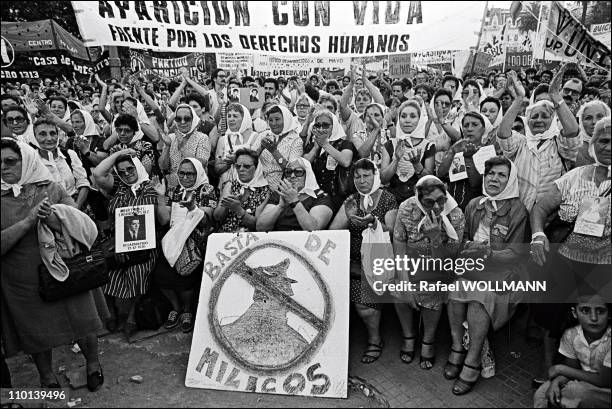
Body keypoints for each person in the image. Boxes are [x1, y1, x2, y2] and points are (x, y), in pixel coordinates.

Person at [1, 138, 105, 391]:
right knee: (36, 329)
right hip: (21, 277)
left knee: (81, 319)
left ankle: (93, 365)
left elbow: (83, 227)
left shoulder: (51, 187)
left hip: (65, 268)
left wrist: (55, 220)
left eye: (10, 161)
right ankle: (47, 377)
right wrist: (27, 222)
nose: (3, 167)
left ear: (26, 161)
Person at [530, 117, 611, 388]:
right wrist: (538, 235)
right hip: (569, 258)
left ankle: (595, 374)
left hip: (606, 265)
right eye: (604, 140)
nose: (609, 146)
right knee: (552, 313)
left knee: (599, 317)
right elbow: (540, 207)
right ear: (593, 144)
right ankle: (549, 364)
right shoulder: (576, 176)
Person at [446, 156, 529, 395]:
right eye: (491, 173)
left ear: (510, 180)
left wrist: (483, 250)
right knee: (454, 289)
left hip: (503, 270)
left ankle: (472, 361)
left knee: (479, 297)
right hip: (473, 264)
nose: (494, 178)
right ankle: (456, 348)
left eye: (502, 175)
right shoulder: (474, 204)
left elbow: (514, 253)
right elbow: (462, 241)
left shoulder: (517, 210)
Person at [329, 159, 398, 363]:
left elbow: (394, 231)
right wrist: (349, 218)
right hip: (352, 260)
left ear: (375, 176)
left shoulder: (388, 199)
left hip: (378, 259)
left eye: (366, 176)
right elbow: (333, 232)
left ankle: (375, 340)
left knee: (364, 307)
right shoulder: (351, 200)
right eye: (357, 176)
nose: (361, 180)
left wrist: (374, 223)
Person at [392, 176, 465, 370]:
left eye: (441, 200)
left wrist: (434, 239)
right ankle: (408, 336)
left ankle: (428, 340)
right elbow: (399, 243)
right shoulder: (407, 208)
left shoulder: (455, 215)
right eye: (429, 202)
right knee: (398, 286)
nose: (437, 207)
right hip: (411, 262)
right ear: (418, 198)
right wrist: (405, 282)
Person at [93, 150, 161, 339]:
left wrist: (127, 246)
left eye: (130, 168)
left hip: (144, 245)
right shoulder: (118, 188)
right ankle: (112, 313)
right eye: (121, 171)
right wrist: (121, 153)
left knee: (136, 271)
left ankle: (131, 317)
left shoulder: (150, 187)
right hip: (117, 243)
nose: (127, 174)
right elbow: (98, 174)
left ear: (138, 167)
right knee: (105, 270)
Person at [498, 68, 580, 212]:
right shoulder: (521, 142)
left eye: (545, 116)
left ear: (553, 118)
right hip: (519, 213)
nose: (539, 120)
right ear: (527, 120)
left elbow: (573, 132)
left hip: (550, 215)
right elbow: (503, 134)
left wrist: (555, 95)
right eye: (534, 117)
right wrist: (518, 99)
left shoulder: (559, 142)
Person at [154, 158, 217, 333]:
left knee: (186, 276)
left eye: (190, 173)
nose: (185, 177)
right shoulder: (174, 190)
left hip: (194, 241)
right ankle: (176, 307)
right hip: (174, 238)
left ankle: (188, 310)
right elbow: (164, 219)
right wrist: (160, 197)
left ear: (198, 174)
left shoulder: (206, 189)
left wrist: (193, 208)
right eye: (181, 173)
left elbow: (206, 220)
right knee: (160, 273)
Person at [533, 294, 610, 408]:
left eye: (600, 311)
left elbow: (604, 380)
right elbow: (573, 369)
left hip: (605, 388)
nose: (593, 317)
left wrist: (559, 369)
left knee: (576, 392)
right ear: (575, 313)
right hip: (583, 381)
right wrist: (556, 382)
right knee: (542, 393)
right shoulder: (572, 334)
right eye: (585, 310)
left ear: (609, 313)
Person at [256, 158, 334, 232]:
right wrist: (280, 207)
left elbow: (313, 228)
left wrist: (294, 201)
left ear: (308, 174)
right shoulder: (278, 194)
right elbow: (260, 228)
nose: (293, 175)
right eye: (289, 172)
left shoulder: (321, 197)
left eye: (298, 172)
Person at [381, 100, 435, 204]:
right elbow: (383, 179)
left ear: (420, 120)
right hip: (392, 200)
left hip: (418, 200)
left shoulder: (428, 146)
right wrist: (396, 159)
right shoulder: (389, 144)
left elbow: (428, 181)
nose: (407, 120)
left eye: (413, 116)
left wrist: (417, 164)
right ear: (399, 119)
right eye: (403, 116)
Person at [29, 118, 90, 211]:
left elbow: (83, 184)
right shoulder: (31, 161)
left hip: (76, 206)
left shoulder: (70, 154)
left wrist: (76, 208)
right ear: (34, 137)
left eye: (53, 133)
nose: (49, 138)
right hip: (48, 211)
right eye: (42, 134)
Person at [303, 108, 354, 211]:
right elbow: (304, 165)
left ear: (334, 126)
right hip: (316, 198)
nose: (321, 129)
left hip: (338, 197)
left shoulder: (345, 144)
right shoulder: (312, 145)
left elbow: (345, 161)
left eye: (325, 125)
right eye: (318, 125)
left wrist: (325, 144)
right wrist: (316, 148)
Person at [438, 112, 489, 210]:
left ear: (483, 129)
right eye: (466, 125)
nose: (469, 129)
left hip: (475, 209)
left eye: (475, 125)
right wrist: (452, 152)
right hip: (451, 207)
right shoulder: (456, 149)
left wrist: (468, 159)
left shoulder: (487, 152)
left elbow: (476, 183)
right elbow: (440, 173)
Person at [213, 148, 270, 232]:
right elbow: (217, 217)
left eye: (246, 166)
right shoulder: (230, 185)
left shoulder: (265, 191)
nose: (241, 169)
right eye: (238, 166)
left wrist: (238, 210)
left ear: (257, 168)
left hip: (251, 238)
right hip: (226, 235)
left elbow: (257, 226)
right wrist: (227, 204)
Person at [160, 104, 211, 190]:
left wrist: (182, 146)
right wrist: (168, 146)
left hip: (195, 187)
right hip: (173, 186)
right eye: (178, 119)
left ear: (193, 119)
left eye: (187, 119)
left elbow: (202, 164)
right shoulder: (171, 137)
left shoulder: (202, 138)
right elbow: (163, 166)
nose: (182, 122)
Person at [252, 105, 303, 190]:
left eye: (277, 119)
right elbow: (250, 160)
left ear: (286, 120)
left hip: (282, 187)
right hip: (260, 184)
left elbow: (291, 170)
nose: (273, 123)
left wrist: (274, 151)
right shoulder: (264, 135)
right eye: (270, 120)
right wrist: (261, 148)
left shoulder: (296, 140)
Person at [214, 103, 256, 186]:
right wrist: (227, 163)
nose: (231, 119)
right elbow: (217, 169)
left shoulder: (254, 137)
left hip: (249, 185)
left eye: (235, 116)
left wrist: (236, 161)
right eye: (229, 116)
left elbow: (257, 164)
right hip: (226, 184)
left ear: (244, 119)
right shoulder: (223, 140)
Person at [575, 100, 611, 166]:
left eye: (600, 116)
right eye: (588, 118)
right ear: (581, 122)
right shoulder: (573, 148)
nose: (594, 121)